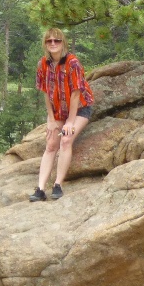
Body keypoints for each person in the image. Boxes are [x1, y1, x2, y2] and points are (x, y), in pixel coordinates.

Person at [29, 28, 94, 201]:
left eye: (56, 40)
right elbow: (45, 92)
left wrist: (70, 122)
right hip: (58, 110)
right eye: (49, 41)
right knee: (51, 144)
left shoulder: (73, 63)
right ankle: (41, 189)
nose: (53, 43)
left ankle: (58, 184)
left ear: (63, 42)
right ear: (45, 44)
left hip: (80, 109)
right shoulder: (43, 64)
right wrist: (51, 119)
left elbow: (76, 93)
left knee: (66, 139)